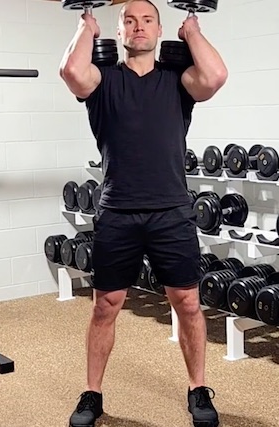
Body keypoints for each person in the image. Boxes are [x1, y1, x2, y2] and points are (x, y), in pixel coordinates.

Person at [59, 0, 227, 426]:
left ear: (158, 30)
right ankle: (92, 394)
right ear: (119, 32)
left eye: (147, 20)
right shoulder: (103, 81)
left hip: (171, 210)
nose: (138, 27)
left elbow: (215, 76)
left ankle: (197, 389)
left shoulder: (177, 80)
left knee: (187, 302)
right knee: (105, 305)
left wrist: (192, 32)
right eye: (129, 21)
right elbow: (72, 73)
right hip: (117, 211)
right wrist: (86, 29)